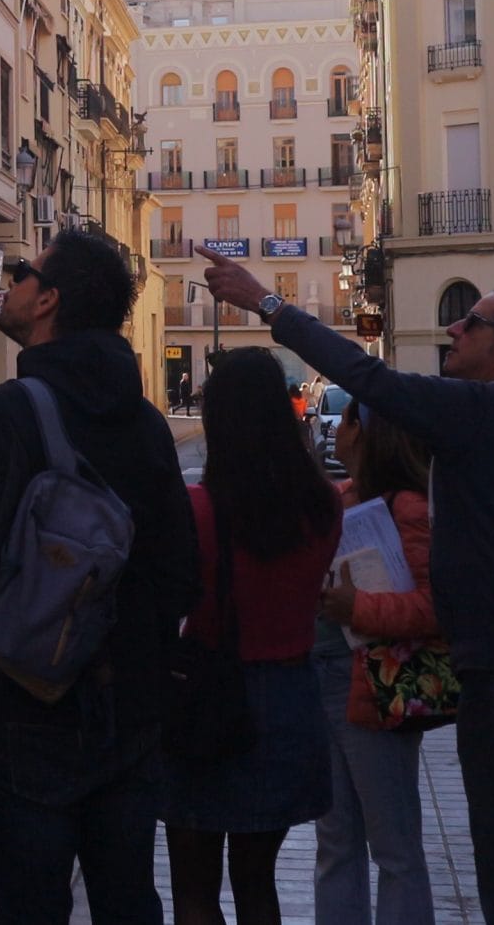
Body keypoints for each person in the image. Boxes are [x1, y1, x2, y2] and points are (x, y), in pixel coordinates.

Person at [198, 248, 494, 925]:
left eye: (473, 323)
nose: (454, 329)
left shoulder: (482, 416)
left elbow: (363, 374)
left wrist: (265, 301)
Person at [0, 229, 197, 925]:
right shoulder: (147, 425)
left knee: (30, 906)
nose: (15, 280)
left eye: (25, 272)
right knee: (126, 899)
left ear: (48, 300)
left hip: (27, 705)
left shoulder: (4, 415)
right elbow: (181, 571)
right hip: (130, 714)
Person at [161, 351, 341, 925]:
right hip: (290, 701)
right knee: (258, 883)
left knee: (194, 890)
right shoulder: (323, 508)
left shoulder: (196, 511)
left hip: (208, 701)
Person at [313, 402, 441, 925]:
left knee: (394, 846)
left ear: (363, 433)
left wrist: (357, 608)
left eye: (345, 421)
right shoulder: (339, 501)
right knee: (334, 842)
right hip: (325, 683)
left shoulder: (409, 508)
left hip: (377, 691)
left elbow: (437, 606)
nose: (336, 431)